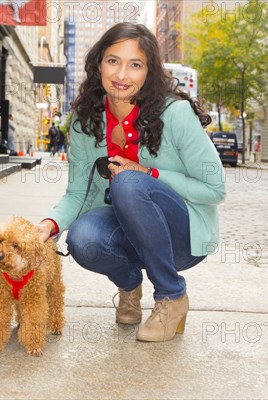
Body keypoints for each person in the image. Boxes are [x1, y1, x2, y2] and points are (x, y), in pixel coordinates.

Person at [36, 23, 225, 343]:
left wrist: (149, 173)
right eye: (113, 61)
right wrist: (50, 225)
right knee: (82, 238)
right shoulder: (86, 122)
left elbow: (215, 188)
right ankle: (129, 285)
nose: (122, 74)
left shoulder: (175, 114)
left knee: (128, 183)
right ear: (99, 64)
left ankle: (171, 295)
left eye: (135, 64)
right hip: (126, 231)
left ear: (149, 71)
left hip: (180, 236)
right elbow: (77, 192)